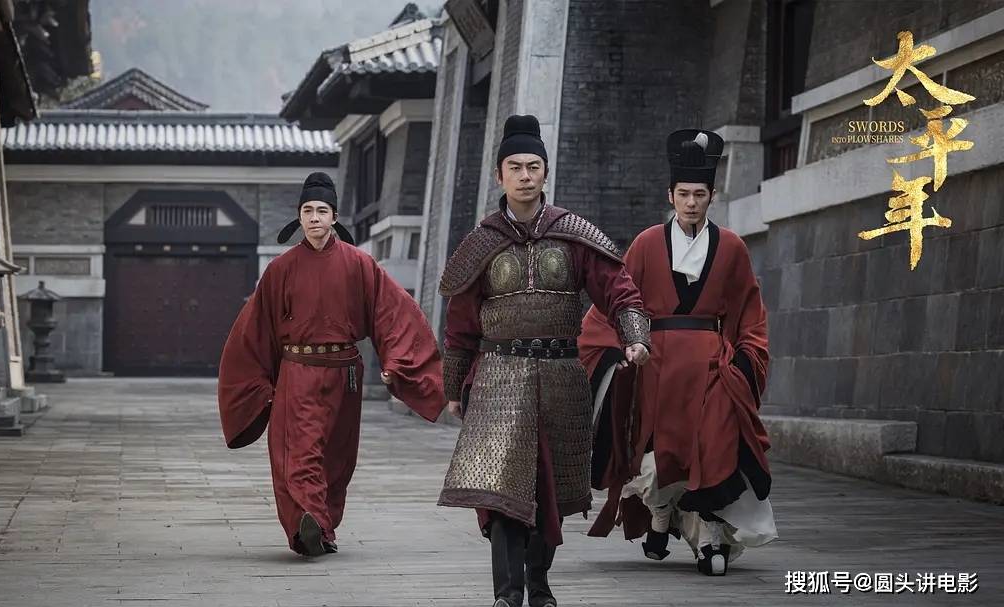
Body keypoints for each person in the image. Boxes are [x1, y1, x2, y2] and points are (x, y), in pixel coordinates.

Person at [437, 115, 651, 607]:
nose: (525, 175)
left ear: (546, 172)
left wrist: (635, 337)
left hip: (560, 378)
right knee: (501, 488)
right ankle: (507, 594)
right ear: (499, 175)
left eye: (533, 166)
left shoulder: (573, 235)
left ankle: (539, 584)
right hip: (498, 378)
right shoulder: (481, 242)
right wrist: (453, 387)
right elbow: (460, 325)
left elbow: (621, 293)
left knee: (545, 488)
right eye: (515, 167)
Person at [579, 129, 776, 576]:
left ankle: (709, 538)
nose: (691, 203)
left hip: (711, 369)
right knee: (656, 454)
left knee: (714, 449)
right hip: (655, 368)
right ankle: (662, 513)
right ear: (670, 195)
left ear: (712, 197)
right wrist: (617, 351)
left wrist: (745, 362)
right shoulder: (647, 243)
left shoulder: (732, 247)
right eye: (683, 194)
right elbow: (618, 302)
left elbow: (750, 314)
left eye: (699, 195)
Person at [217, 172, 445, 557]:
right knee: (299, 453)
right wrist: (259, 386)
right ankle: (307, 523)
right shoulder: (280, 269)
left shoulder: (360, 264)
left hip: (345, 375)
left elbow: (394, 314)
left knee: (337, 459)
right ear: (299, 217)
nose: (314, 217)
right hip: (297, 372)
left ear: (334, 217)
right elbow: (254, 331)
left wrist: (397, 361)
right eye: (307, 210)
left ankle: (323, 527)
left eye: (322, 211)